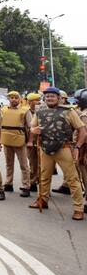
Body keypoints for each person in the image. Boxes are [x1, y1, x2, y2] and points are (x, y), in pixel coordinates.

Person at [29, 87, 85, 220]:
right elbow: (32, 127)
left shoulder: (69, 112)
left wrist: (77, 147)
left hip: (64, 148)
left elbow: (82, 131)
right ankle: (43, 200)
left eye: (52, 96)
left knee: (72, 179)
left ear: (59, 98)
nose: (49, 98)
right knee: (44, 177)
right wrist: (33, 130)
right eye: (47, 96)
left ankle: (78, 209)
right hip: (45, 149)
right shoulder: (40, 111)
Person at [1, 91, 31, 197]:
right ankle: (8, 183)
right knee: (9, 164)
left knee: (24, 165)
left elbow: (30, 127)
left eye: (16, 97)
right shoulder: (3, 110)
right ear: (9, 99)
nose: (13, 99)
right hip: (6, 139)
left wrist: (30, 141)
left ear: (20, 99)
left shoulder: (25, 111)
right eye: (11, 97)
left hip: (20, 140)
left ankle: (26, 186)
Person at [72, 88, 87, 213]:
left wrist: (81, 153)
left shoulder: (84, 115)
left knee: (85, 175)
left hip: (84, 149)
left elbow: (85, 135)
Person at [24, 92, 42, 192]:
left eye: (39, 100)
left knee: (40, 163)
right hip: (30, 141)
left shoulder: (42, 111)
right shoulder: (26, 112)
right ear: (30, 102)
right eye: (36, 100)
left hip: (40, 141)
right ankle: (33, 181)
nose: (39, 102)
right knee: (32, 162)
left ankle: (38, 182)